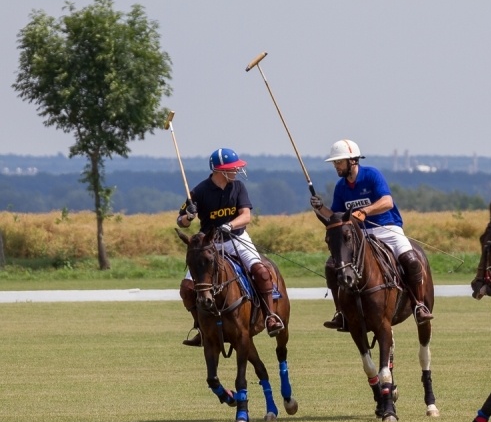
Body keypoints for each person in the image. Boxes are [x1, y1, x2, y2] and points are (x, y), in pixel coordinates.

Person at [310, 138, 433, 330]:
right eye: (335, 162)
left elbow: (387, 202)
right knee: (331, 266)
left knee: (411, 260)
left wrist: (365, 211)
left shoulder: (371, 175)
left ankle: (418, 305)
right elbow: (337, 217)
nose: (336, 166)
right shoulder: (341, 187)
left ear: (353, 160)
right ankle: (341, 312)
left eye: (339, 162)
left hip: (387, 228)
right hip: (359, 235)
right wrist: (320, 208)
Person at [176, 147, 283, 346]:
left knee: (261, 273)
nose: (236, 171)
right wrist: (189, 216)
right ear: (219, 170)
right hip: (210, 245)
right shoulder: (199, 191)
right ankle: (200, 327)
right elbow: (181, 222)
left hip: (237, 239)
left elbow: (246, 216)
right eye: (232, 168)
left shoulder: (238, 187)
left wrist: (230, 225)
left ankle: (270, 316)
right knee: (187, 288)